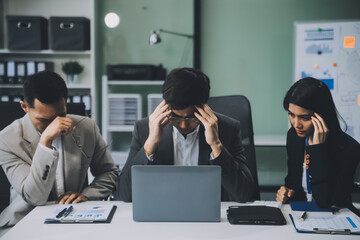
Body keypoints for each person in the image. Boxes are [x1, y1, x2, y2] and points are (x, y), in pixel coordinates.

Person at [115, 67, 256, 202]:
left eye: (191, 118)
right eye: (176, 117)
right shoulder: (144, 129)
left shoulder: (228, 129)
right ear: (167, 107)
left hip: (209, 218)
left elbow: (244, 195)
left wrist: (216, 145)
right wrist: (150, 144)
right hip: (162, 217)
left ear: (204, 107)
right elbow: (125, 194)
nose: (183, 125)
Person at [0, 71, 118, 232]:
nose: (55, 124)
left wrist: (88, 195)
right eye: (44, 120)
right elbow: (35, 197)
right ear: (25, 107)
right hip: (24, 221)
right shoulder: (7, 139)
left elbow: (109, 172)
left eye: (61, 115)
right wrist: (45, 143)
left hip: (75, 217)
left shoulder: (87, 127)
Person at [276, 77, 360, 214]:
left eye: (305, 118)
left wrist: (317, 150)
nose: (296, 124)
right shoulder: (294, 136)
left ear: (322, 115)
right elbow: (292, 182)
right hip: (301, 215)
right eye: (291, 114)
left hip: (336, 220)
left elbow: (327, 201)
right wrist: (287, 192)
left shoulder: (348, 149)